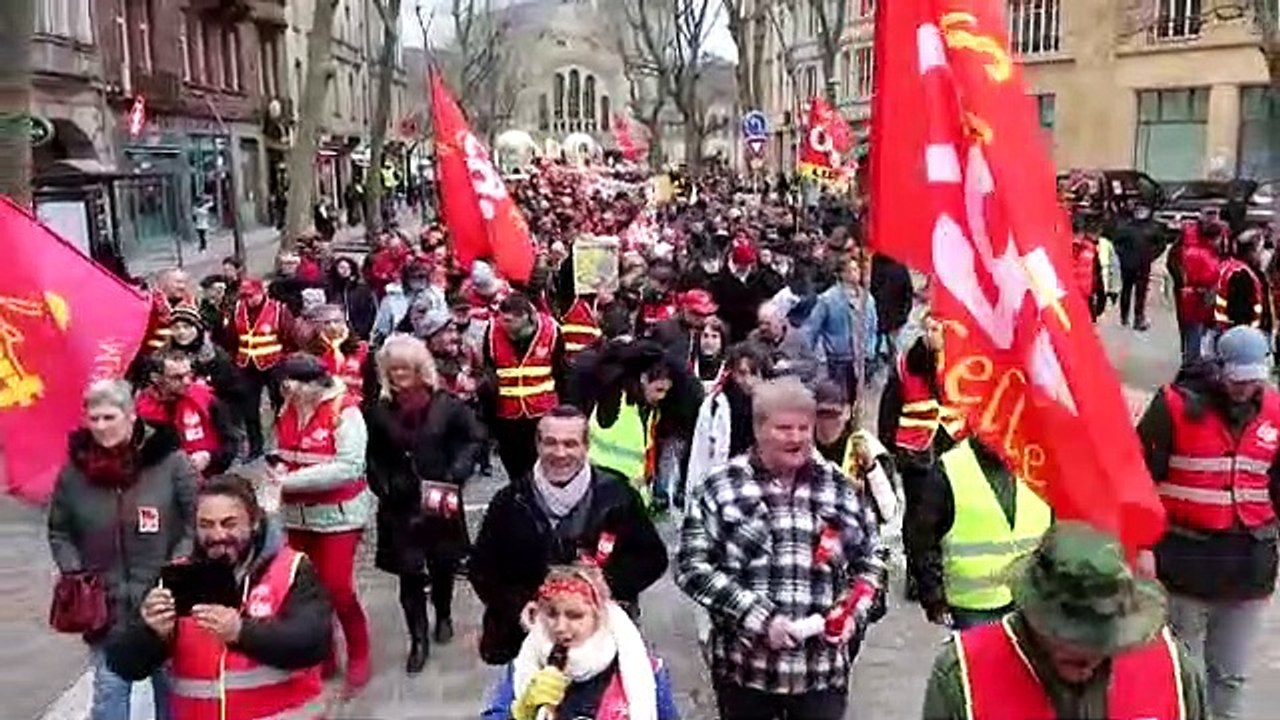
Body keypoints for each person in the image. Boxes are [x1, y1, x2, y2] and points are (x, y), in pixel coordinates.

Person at [675, 377, 885, 720]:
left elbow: (872, 560)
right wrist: (759, 618)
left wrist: (852, 614)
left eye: (804, 427)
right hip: (746, 673)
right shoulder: (719, 487)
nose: (797, 437)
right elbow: (691, 567)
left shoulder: (841, 488)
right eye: (784, 428)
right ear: (759, 428)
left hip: (821, 676)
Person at [1136, 325, 1280, 720]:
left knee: (1231, 676)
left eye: (1253, 380)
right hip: (1186, 566)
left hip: (1249, 571)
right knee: (1187, 674)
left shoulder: (1275, 411)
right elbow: (1138, 477)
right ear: (1218, 369)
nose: (1244, 389)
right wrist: (1140, 545)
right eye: (1237, 379)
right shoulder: (1174, 407)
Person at [922, 521, 1207, 720]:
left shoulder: (1172, 668)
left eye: (1100, 634)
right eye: (1070, 634)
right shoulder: (963, 674)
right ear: (1034, 613)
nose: (1087, 651)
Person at [105, 474, 333, 720]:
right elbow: (123, 663)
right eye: (206, 524)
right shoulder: (176, 577)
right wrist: (150, 633)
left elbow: (314, 643)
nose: (217, 534)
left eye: (229, 523)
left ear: (254, 522)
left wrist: (242, 633)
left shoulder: (291, 569)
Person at [470, 406, 668, 665]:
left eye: (570, 444)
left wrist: (608, 584)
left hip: (600, 641)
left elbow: (653, 558)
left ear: (586, 446)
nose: (560, 453)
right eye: (550, 443)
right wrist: (521, 607)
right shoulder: (508, 502)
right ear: (537, 445)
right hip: (527, 643)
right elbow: (482, 570)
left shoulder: (617, 496)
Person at [47, 379, 197, 720]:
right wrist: (74, 570)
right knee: (109, 695)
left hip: (164, 604)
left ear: (131, 416)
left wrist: (179, 566)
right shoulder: (74, 472)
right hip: (105, 608)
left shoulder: (171, 463)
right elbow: (59, 530)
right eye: (94, 418)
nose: (100, 427)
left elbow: (194, 520)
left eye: (109, 417)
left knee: (173, 694)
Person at [365, 335, 484, 672]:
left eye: (405, 367)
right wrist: (382, 483)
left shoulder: (446, 405)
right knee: (409, 573)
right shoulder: (378, 409)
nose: (399, 373)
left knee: (443, 563)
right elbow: (372, 454)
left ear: (420, 368)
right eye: (393, 368)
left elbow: (474, 438)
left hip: (439, 496)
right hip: (399, 503)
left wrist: (456, 472)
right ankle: (418, 639)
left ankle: (443, 612)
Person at [270, 354, 372, 696]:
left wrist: (290, 482)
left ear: (314, 384)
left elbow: (349, 467)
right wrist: (278, 468)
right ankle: (324, 652)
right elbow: (282, 449)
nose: (287, 391)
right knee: (305, 590)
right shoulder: (287, 407)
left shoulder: (345, 411)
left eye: (293, 384)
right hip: (298, 516)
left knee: (338, 588)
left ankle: (359, 653)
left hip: (338, 515)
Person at [480, 566, 679, 720]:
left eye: (575, 616)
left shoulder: (642, 668)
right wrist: (523, 711)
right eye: (551, 614)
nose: (560, 627)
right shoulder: (525, 664)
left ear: (598, 616)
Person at [909, 436, 1053, 630]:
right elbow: (922, 540)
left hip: (1028, 602)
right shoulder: (951, 470)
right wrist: (934, 597)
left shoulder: (1040, 463)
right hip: (972, 608)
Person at [483, 293, 565, 482]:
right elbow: (489, 368)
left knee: (543, 466)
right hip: (507, 416)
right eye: (502, 319)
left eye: (510, 321)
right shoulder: (492, 330)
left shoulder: (551, 330)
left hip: (543, 412)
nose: (505, 326)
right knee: (515, 470)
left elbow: (561, 373)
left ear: (526, 316)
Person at [685, 342, 770, 514]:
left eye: (755, 374)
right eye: (743, 373)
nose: (749, 381)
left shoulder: (771, 408)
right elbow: (699, 457)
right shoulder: (716, 405)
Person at [586, 346, 674, 509]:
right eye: (658, 390)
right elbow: (606, 362)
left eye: (665, 392)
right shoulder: (614, 398)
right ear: (643, 379)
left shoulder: (651, 411)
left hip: (632, 502)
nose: (661, 397)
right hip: (603, 496)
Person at [135, 349, 239, 478]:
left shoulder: (206, 399)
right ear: (155, 378)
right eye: (177, 377)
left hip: (208, 480)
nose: (187, 381)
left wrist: (210, 457)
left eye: (189, 374)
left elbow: (231, 441)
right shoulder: (142, 410)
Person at [229, 277, 295, 458]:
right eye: (243, 296)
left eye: (251, 296)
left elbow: (289, 338)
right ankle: (255, 447)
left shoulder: (279, 310)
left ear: (261, 292)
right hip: (247, 366)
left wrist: (285, 363)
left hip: (274, 364)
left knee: (280, 405)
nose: (247, 300)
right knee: (249, 409)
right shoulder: (237, 310)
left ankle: (282, 443)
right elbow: (232, 338)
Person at [804, 251, 878, 403]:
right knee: (838, 400)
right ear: (841, 274)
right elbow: (812, 330)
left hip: (861, 359)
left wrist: (871, 350)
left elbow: (873, 327)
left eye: (857, 269)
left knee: (857, 402)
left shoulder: (867, 299)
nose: (855, 274)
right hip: (838, 360)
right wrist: (820, 357)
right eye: (851, 270)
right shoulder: (827, 299)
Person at [1111, 203, 1165, 331]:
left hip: (1143, 265)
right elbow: (1116, 242)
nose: (1141, 213)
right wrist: (1123, 256)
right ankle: (1124, 316)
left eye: (1143, 210)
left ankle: (1138, 318)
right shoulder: (1127, 227)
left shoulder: (1153, 228)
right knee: (1126, 290)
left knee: (1141, 293)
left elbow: (1161, 245)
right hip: (1128, 265)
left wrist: (1151, 256)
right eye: (1138, 210)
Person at [306, 304, 372, 403]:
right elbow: (328, 380)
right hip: (326, 404)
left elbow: (369, 383)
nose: (333, 327)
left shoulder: (362, 349)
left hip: (358, 404)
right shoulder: (310, 354)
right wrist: (334, 347)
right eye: (326, 323)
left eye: (337, 321)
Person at [749, 299, 819, 384]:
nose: (763, 328)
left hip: (791, 387)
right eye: (760, 323)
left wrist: (789, 365)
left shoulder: (797, 337)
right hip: (764, 386)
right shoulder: (754, 338)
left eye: (767, 323)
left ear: (780, 321)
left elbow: (812, 365)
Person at [326, 256, 378, 341]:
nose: (345, 270)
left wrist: (362, 330)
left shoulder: (362, 290)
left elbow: (370, 312)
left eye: (348, 267)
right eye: (341, 267)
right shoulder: (331, 289)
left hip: (358, 332)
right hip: (336, 332)